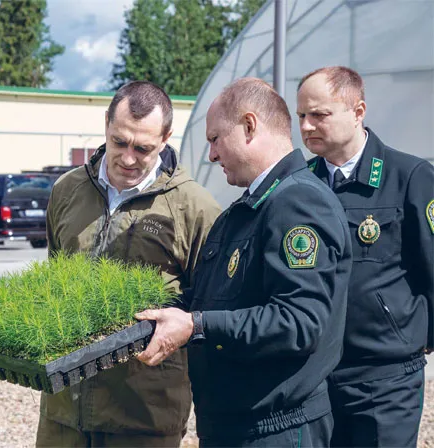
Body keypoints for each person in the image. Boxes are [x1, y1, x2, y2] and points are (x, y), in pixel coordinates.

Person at [136, 78, 353, 447]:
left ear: (249, 126)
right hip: (237, 426)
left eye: (215, 139)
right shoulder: (247, 209)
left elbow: (299, 322)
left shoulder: (297, 202)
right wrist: (152, 312)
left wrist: (196, 326)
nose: (211, 155)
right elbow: (212, 298)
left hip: (276, 431)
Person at [37, 81, 221, 446]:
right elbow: (53, 280)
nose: (128, 157)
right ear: (106, 123)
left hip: (143, 416)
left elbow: (207, 314)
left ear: (166, 137)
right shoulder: (67, 190)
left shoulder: (194, 206)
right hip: (63, 413)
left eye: (143, 148)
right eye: (119, 141)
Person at [296, 66, 434, 447]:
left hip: (385, 378)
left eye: (319, 115)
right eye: (301, 116)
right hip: (318, 374)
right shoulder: (301, 184)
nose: (307, 126)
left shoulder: (409, 176)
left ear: (358, 112)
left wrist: (415, 337)